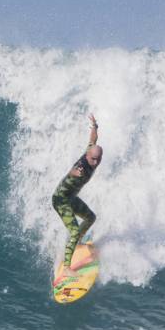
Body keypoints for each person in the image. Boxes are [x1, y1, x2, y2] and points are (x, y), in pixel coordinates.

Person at [53, 114, 102, 277]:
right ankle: (67, 268)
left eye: (98, 159)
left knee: (90, 218)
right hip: (61, 200)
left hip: (71, 198)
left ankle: (77, 242)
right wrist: (75, 172)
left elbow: (93, 140)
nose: (95, 163)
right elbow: (72, 171)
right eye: (93, 159)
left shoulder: (91, 151)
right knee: (73, 231)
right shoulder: (81, 166)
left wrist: (95, 126)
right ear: (88, 156)